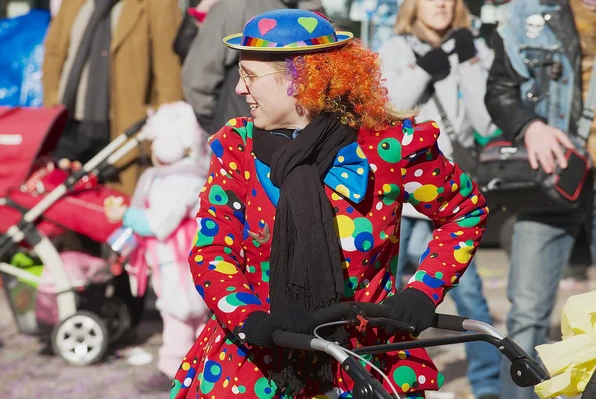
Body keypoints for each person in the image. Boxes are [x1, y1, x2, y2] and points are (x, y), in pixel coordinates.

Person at [171, 8, 489, 399]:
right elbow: (212, 250)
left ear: (303, 81)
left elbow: (465, 212)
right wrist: (253, 319)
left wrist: (424, 289)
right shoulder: (237, 146)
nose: (239, 89)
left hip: (365, 361)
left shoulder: (388, 147)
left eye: (250, 77)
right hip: (258, 360)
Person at [377, 1, 501, 398]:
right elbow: (388, 108)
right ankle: (385, 378)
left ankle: (488, 387)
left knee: (470, 299)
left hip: (450, 198)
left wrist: (469, 61)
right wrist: (424, 69)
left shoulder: (474, 46)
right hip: (400, 198)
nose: (442, 4)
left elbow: (486, 120)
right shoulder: (391, 47)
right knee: (386, 301)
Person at [484, 1, 596, 398]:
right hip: (552, 176)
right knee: (527, 315)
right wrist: (528, 126)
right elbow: (498, 92)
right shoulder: (524, 14)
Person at [104, 101, 211, 392]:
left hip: (179, 263)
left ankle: (172, 370)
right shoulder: (183, 175)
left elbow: (158, 222)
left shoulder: (179, 180)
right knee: (196, 317)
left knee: (179, 314)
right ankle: (206, 367)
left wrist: (124, 215)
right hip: (179, 261)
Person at [42, 0, 184, 195]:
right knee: (64, 205)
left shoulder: (157, 4)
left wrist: (166, 132)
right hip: (70, 124)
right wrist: (51, 102)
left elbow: (169, 75)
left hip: (122, 132)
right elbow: (54, 52)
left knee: (115, 208)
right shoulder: (74, 3)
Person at [180, 0, 323, 135]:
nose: (240, 88)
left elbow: (196, 80)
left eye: (250, 75)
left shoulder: (236, 5)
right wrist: (221, 126)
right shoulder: (314, 10)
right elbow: (198, 80)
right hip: (243, 132)